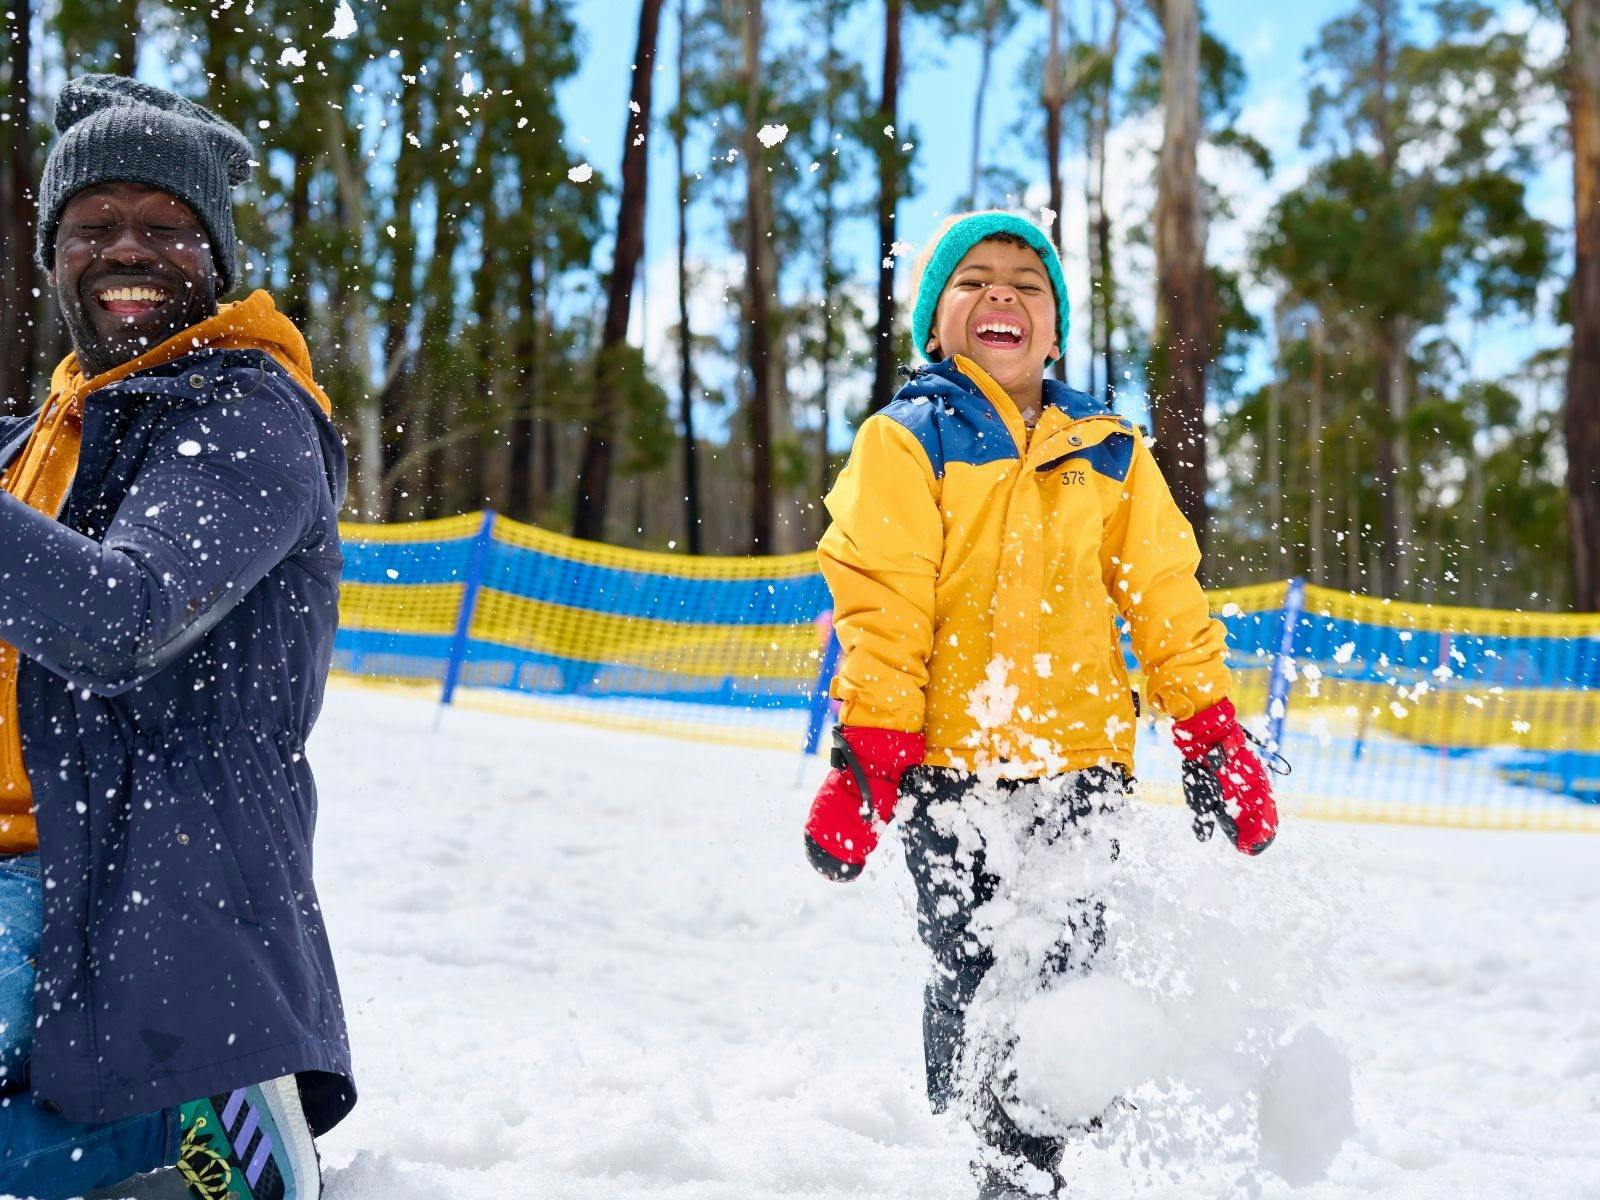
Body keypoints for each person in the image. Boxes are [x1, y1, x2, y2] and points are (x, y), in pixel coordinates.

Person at [803, 210, 1277, 1198]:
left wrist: (1208, 731)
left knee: (1058, 966)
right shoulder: (907, 441)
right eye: (971, 280)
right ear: (938, 325)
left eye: (1028, 283)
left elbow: (1164, 592)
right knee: (974, 965)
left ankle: (1026, 1154)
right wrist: (870, 756)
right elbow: (885, 602)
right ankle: (994, 1126)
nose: (1002, 294)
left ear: (1053, 330)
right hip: (946, 771)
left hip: (1079, 772)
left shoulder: (1106, 449)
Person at [0, 75, 352, 1199]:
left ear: (219, 250)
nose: (126, 250)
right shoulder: (37, 441)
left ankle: (215, 1119)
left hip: (123, 873)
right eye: (93, 226)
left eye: (164, 225)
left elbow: (124, 619)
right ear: (53, 255)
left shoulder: (248, 415)